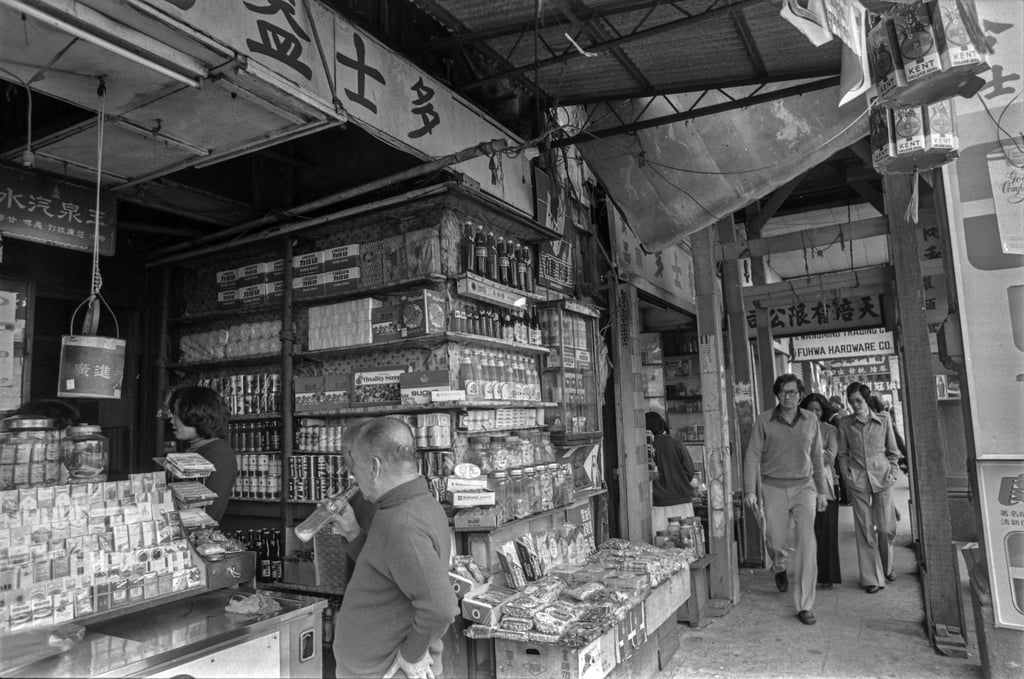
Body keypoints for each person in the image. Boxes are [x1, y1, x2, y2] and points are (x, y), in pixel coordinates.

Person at [330, 417, 458, 679]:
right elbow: (389, 570)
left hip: (386, 671)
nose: (354, 478)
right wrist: (354, 533)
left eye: (357, 469)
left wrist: (411, 655)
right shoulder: (408, 505)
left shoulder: (404, 523)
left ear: (375, 467)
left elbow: (441, 607)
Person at [744, 374, 829, 626]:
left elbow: (817, 458)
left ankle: (805, 605)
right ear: (777, 395)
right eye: (783, 392)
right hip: (773, 486)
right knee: (775, 539)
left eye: (793, 392)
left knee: (807, 543)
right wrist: (750, 489)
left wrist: (822, 490)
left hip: (805, 488)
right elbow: (752, 456)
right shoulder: (764, 420)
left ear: (800, 395)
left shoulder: (810, 419)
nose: (788, 396)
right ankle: (779, 565)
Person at [836, 382, 902, 593]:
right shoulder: (845, 424)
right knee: (865, 530)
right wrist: (847, 475)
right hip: (858, 479)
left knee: (885, 528)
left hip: (883, 477)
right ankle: (872, 578)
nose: (855, 405)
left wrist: (893, 471)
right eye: (851, 401)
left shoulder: (883, 421)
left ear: (866, 400)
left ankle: (887, 566)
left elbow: (893, 451)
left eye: (858, 401)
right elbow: (843, 453)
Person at [164, 386, 237, 523]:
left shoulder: (219, 453)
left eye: (178, 415)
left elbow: (206, 516)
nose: (172, 420)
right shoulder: (192, 450)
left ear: (198, 415)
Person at [799, 393, 841, 589]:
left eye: (817, 409)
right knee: (807, 533)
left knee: (827, 532)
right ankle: (810, 575)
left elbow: (831, 456)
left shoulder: (830, 430)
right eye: (810, 409)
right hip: (801, 486)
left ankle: (828, 575)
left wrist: (809, 454)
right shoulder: (797, 429)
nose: (814, 413)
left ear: (824, 412)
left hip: (825, 486)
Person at [645, 411, 696, 532]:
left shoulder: (646, 448)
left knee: (661, 544)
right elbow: (689, 471)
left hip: (657, 504)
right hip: (681, 501)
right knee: (685, 541)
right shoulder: (676, 444)